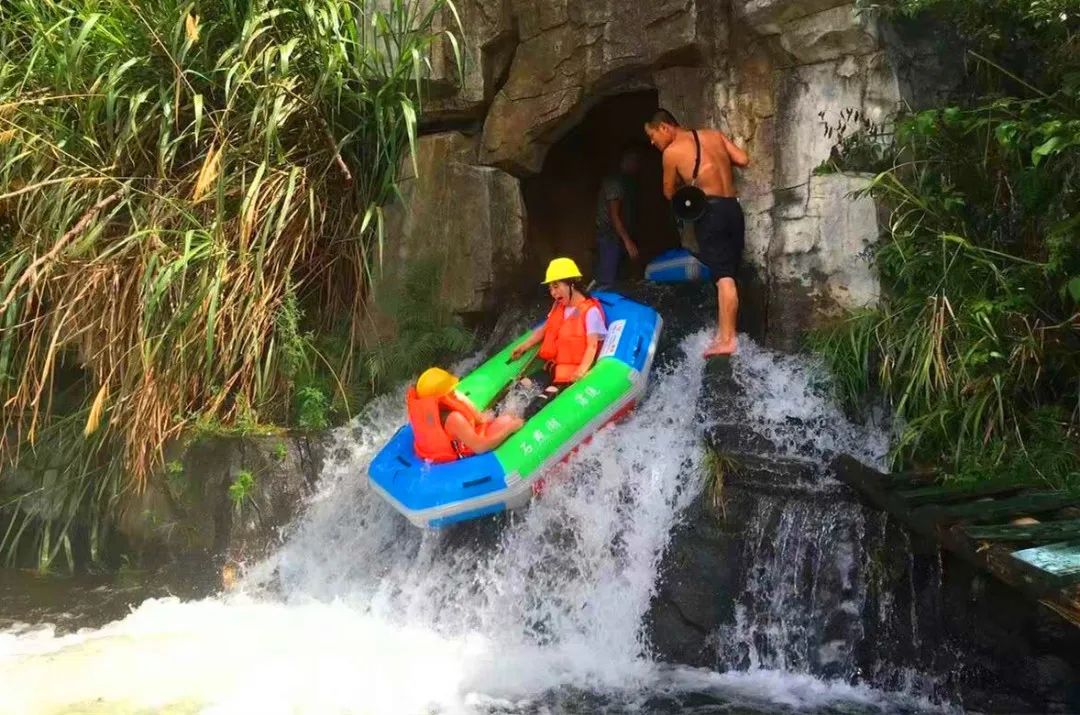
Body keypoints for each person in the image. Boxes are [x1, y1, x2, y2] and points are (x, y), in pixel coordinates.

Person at [644, 109, 749, 357]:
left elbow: (669, 192)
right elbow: (743, 159)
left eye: (652, 136)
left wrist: (688, 185)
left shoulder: (671, 152)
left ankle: (728, 339)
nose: (652, 142)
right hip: (733, 208)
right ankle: (725, 332)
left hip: (710, 213)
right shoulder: (713, 135)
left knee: (723, 277)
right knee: (730, 272)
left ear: (665, 128)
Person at [509, 257, 606, 419]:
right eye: (550, 288)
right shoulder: (559, 307)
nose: (553, 293)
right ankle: (496, 428)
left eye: (556, 286)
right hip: (551, 369)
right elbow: (545, 330)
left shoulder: (590, 312)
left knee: (536, 407)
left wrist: (582, 371)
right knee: (518, 390)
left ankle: (514, 433)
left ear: (571, 284)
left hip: (569, 376)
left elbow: (592, 346)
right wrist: (524, 346)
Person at [407, 367, 523, 463]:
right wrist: (511, 428)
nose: (453, 391)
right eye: (450, 390)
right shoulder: (453, 419)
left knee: (502, 414)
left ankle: (523, 387)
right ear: (441, 396)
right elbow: (480, 447)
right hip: (465, 453)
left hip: (453, 442)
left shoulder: (430, 409)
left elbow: (479, 418)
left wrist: (480, 416)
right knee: (507, 420)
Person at [594, 147, 641, 287]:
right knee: (608, 277)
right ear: (625, 161)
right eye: (634, 161)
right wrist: (628, 241)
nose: (637, 165)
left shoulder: (624, 182)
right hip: (610, 234)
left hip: (616, 234)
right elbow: (614, 215)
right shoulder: (615, 183)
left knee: (619, 274)